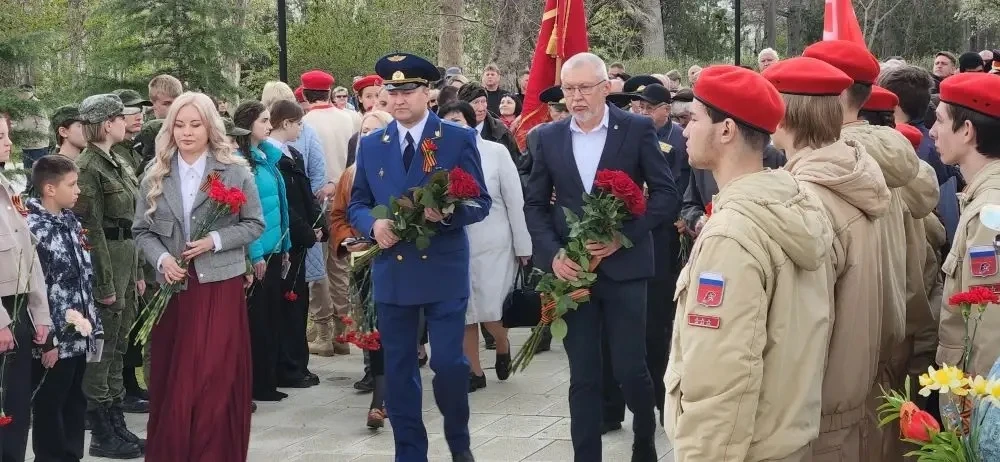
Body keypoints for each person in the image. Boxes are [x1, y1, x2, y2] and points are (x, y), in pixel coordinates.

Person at [665, 64, 834, 461]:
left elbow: (722, 376)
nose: (685, 130)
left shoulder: (732, 234)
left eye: (694, 119)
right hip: (783, 440)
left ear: (726, 130)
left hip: (745, 448)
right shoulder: (790, 203)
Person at [523, 52, 678, 461]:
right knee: (584, 374)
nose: (576, 98)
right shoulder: (548, 138)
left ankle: (644, 442)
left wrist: (622, 238)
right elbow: (535, 206)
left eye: (584, 88)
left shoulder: (637, 129)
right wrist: (553, 254)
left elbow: (665, 195)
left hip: (626, 270)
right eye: (569, 90)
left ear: (606, 87)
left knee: (630, 368)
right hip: (573, 274)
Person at [347, 53, 491, 462]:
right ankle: (409, 454)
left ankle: (459, 445)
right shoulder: (373, 144)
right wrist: (372, 226)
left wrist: (447, 212)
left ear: (427, 92)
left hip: (442, 267)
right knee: (399, 371)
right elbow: (358, 203)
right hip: (393, 271)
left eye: (408, 90)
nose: (398, 99)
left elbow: (480, 201)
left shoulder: (456, 139)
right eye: (392, 92)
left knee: (448, 365)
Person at [763, 56, 893, 460]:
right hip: (856, 395)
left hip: (820, 412)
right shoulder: (852, 174)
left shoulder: (809, 197)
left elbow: (803, 322)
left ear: (783, 115)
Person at [133, 91, 264, 461]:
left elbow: (255, 223)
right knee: (174, 379)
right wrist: (161, 261)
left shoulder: (234, 170)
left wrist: (215, 240)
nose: (187, 132)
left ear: (210, 127)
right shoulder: (155, 173)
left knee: (213, 376)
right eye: (179, 124)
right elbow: (141, 231)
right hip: (172, 291)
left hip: (218, 288)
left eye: (195, 124)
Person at [803, 42, 921, 451]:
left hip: (837, 377)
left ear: (833, 93)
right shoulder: (886, 157)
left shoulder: (836, 166)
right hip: (886, 353)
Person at [438, 100, 532, 391]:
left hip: (494, 243)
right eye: (447, 122)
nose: (454, 127)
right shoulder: (438, 156)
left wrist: (523, 245)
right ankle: (473, 371)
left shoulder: (495, 152)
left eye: (458, 121)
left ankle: (501, 343)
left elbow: (515, 200)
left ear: (472, 122)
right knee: (464, 309)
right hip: (455, 242)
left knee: (491, 309)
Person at [72, 93, 146, 458]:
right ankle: (101, 431)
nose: (126, 121)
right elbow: (92, 230)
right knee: (103, 350)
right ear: (106, 123)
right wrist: (103, 284)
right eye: (120, 116)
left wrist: (137, 272)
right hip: (108, 263)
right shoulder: (88, 168)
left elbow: (132, 221)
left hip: (125, 258)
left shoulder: (115, 161)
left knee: (118, 346)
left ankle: (116, 422)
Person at [27, 155, 104, 462]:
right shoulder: (34, 228)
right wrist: (48, 340)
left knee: (75, 399)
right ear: (48, 188)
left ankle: (72, 456)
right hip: (54, 335)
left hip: (78, 330)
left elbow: (83, 276)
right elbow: (38, 288)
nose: (78, 191)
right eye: (71, 185)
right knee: (50, 402)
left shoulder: (70, 221)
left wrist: (91, 324)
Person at [933, 72, 1000, 377]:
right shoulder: (983, 199)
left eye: (941, 120)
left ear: (967, 131)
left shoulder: (989, 212)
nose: (933, 132)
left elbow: (988, 333)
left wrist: (978, 418)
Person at [330, 109, 393, 426]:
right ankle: (379, 401)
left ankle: (391, 389)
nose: (367, 136)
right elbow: (338, 217)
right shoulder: (350, 174)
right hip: (363, 263)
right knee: (375, 327)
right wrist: (346, 241)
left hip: (399, 262)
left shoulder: (400, 169)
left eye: (375, 130)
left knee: (397, 330)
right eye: (363, 130)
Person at [0, 116, 53, 462]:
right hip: (2, 315)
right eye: (1, 137)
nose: (8, 143)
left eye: (7, 135)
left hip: (18, 313)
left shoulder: (6, 186)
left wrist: (41, 315)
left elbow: (28, 255)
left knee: (15, 412)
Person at [233, 100, 294, 400]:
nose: (270, 126)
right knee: (258, 320)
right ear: (248, 125)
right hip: (259, 252)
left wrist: (285, 245)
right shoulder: (242, 163)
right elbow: (245, 213)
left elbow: (278, 205)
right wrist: (255, 253)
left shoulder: (266, 158)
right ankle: (257, 383)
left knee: (271, 316)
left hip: (274, 248)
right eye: (264, 121)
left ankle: (268, 380)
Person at [265, 100, 327, 389]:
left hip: (301, 237)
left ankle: (298, 364)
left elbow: (306, 196)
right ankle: (287, 366)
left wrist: (320, 226)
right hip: (287, 239)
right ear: (286, 123)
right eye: (298, 123)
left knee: (298, 303)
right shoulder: (271, 156)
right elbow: (285, 204)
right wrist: (305, 232)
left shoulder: (293, 154)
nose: (301, 129)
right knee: (288, 305)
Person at [300, 69, 359, 357]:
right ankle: (342, 332)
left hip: (318, 201)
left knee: (318, 267)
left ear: (304, 92)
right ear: (328, 91)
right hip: (347, 197)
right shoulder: (350, 117)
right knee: (340, 267)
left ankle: (322, 332)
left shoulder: (304, 123)